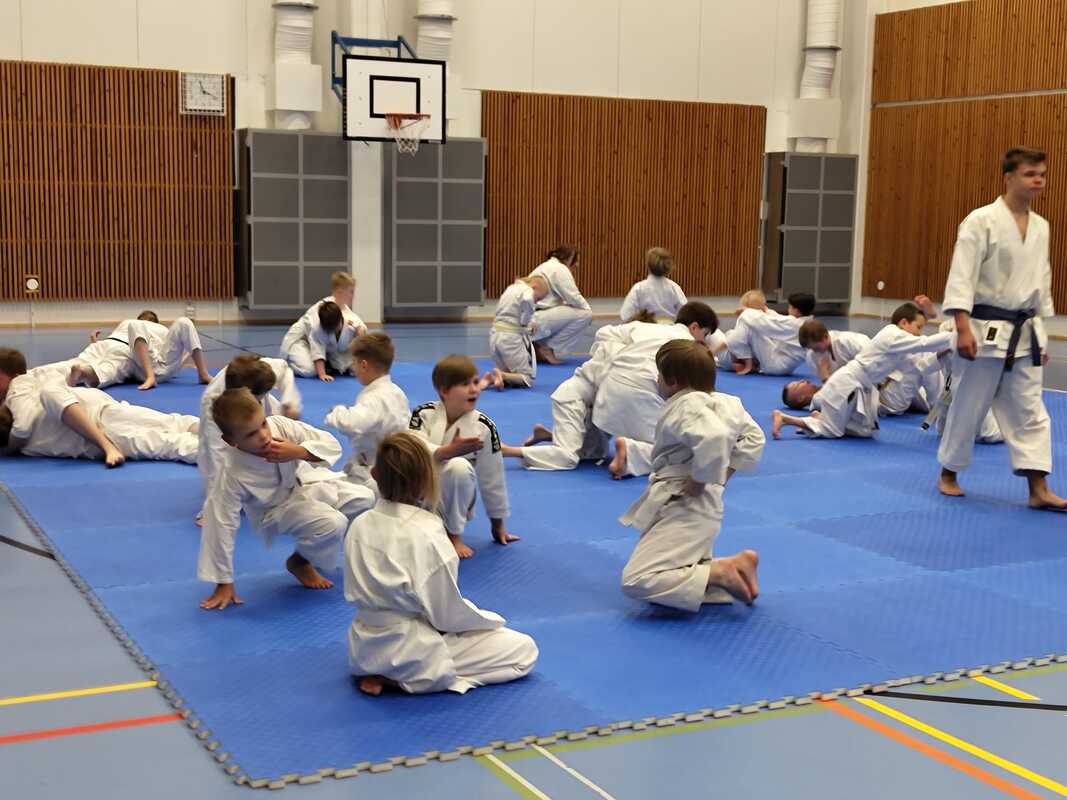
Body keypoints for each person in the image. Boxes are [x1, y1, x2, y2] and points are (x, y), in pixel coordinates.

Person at [343, 432, 538, 696]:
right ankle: (403, 676)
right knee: (524, 650)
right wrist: (488, 620)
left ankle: (379, 668)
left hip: (364, 643)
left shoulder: (359, 523)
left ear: (375, 474)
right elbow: (444, 614)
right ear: (427, 480)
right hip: (411, 648)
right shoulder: (427, 532)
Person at [935, 149, 1064, 510]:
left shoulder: (1041, 226)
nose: (1038, 180)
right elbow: (962, 276)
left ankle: (1038, 487)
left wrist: (1042, 335)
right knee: (969, 405)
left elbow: (1042, 282)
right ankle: (949, 472)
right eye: (1029, 174)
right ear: (1008, 177)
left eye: (1042, 174)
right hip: (983, 330)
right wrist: (962, 328)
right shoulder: (980, 221)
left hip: (1025, 332)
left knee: (1031, 410)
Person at [197, 388, 375, 610]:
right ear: (231, 441)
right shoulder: (231, 474)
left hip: (303, 486)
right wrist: (224, 581)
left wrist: (299, 451)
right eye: (251, 434)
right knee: (332, 523)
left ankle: (319, 549)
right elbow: (221, 524)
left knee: (364, 497)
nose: (264, 435)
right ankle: (300, 561)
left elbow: (330, 443)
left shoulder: (279, 426)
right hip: (273, 511)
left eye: (263, 424)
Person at [620, 340, 764, 611]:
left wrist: (700, 480)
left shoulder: (687, 404)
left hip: (685, 501)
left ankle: (722, 571)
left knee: (637, 580)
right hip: (701, 502)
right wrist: (722, 474)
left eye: (659, 375)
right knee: (675, 563)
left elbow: (714, 437)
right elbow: (754, 438)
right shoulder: (727, 402)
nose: (657, 380)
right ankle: (725, 574)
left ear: (672, 381)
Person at [772, 300, 954, 440]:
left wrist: (942, 352)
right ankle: (786, 418)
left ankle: (822, 418)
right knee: (832, 431)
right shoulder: (892, 335)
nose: (919, 332)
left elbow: (918, 366)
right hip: (850, 381)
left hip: (864, 387)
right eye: (918, 327)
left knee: (865, 431)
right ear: (904, 322)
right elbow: (923, 344)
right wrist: (956, 335)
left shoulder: (895, 346)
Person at [592, 302, 720, 478]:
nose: (703, 341)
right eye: (704, 335)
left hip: (608, 392)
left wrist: (619, 358)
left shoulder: (648, 327)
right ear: (694, 327)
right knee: (682, 453)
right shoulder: (689, 348)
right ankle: (631, 453)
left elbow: (603, 333)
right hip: (642, 393)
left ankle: (597, 445)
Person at [409, 355, 516, 559]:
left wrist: (498, 524)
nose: (474, 389)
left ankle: (453, 535)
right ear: (444, 391)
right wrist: (444, 451)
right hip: (417, 494)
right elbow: (412, 448)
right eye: (465, 384)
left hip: (454, 499)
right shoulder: (423, 413)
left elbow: (493, 478)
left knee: (459, 466)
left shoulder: (484, 427)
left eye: (476, 382)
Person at [197, 353, 302, 523]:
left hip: (263, 404)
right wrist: (213, 510)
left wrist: (289, 402)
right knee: (221, 453)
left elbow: (284, 369)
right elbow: (214, 456)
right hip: (231, 417)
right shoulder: (214, 404)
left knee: (279, 436)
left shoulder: (260, 369)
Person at [0, 381, 198, 466]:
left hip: (107, 421)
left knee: (171, 437)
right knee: (173, 429)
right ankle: (214, 439)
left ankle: (213, 441)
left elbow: (22, 427)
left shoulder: (26, 444)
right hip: (108, 424)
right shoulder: (26, 408)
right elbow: (22, 426)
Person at [324, 333, 410, 491]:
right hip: (394, 465)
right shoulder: (396, 392)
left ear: (364, 365)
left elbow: (353, 424)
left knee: (324, 491)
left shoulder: (375, 398)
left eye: (354, 363)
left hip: (375, 472)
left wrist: (336, 413)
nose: (353, 367)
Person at [61, 313, 211, 390]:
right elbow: (173, 360)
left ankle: (75, 370)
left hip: (109, 346)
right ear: (155, 321)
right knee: (111, 368)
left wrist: (94, 342)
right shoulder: (158, 329)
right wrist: (184, 357)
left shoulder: (128, 323)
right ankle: (202, 373)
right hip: (139, 360)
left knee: (87, 363)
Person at [725, 292, 816, 375]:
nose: (788, 309)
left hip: (776, 364)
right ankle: (749, 362)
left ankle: (747, 363)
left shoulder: (796, 324)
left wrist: (747, 311)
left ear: (797, 311)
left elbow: (765, 322)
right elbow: (778, 319)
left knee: (750, 325)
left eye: (790, 307)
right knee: (750, 322)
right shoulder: (805, 323)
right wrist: (766, 310)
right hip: (781, 362)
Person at [529, 245, 593, 364]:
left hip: (531, 319)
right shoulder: (559, 268)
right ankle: (547, 348)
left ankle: (538, 344)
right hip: (537, 319)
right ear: (568, 258)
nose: (577, 265)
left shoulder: (546, 266)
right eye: (576, 260)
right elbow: (573, 297)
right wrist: (589, 312)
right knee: (585, 315)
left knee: (571, 309)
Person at [298, 272, 369, 376]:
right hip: (304, 343)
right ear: (340, 292)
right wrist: (322, 373)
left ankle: (328, 363)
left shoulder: (343, 309)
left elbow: (355, 322)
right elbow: (316, 341)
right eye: (351, 292)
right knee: (309, 371)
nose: (353, 296)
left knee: (348, 367)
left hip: (327, 346)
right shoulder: (321, 312)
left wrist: (361, 329)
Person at [486, 275, 549, 390]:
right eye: (538, 298)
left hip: (494, 336)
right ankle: (501, 375)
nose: (537, 301)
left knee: (511, 374)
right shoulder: (528, 291)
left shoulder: (511, 288)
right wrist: (526, 322)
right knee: (527, 378)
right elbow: (528, 299)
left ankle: (496, 377)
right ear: (535, 287)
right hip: (509, 339)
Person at [279, 301, 348, 382]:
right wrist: (322, 374)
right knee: (310, 371)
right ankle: (290, 364)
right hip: (301, 341)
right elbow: (318, 351)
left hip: (321, 340)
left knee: (342, 366)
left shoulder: (349, 318)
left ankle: (326, 363)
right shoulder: (317, 328)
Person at [619, 247, 688, 323]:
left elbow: (626, 315)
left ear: (648, 266)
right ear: (668, 267)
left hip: (645, 328)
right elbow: (685, 313)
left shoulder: (639, 288)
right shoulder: (674, 288)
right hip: (670, 328)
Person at [798, 319, 870, 382]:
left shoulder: (850, 342)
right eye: (810, 348)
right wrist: (824, 375)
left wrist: (825, 376)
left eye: (817, 348)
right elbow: (831, 387)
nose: (814, 351)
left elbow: (870, 364)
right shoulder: (812, 356)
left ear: (825, 337)